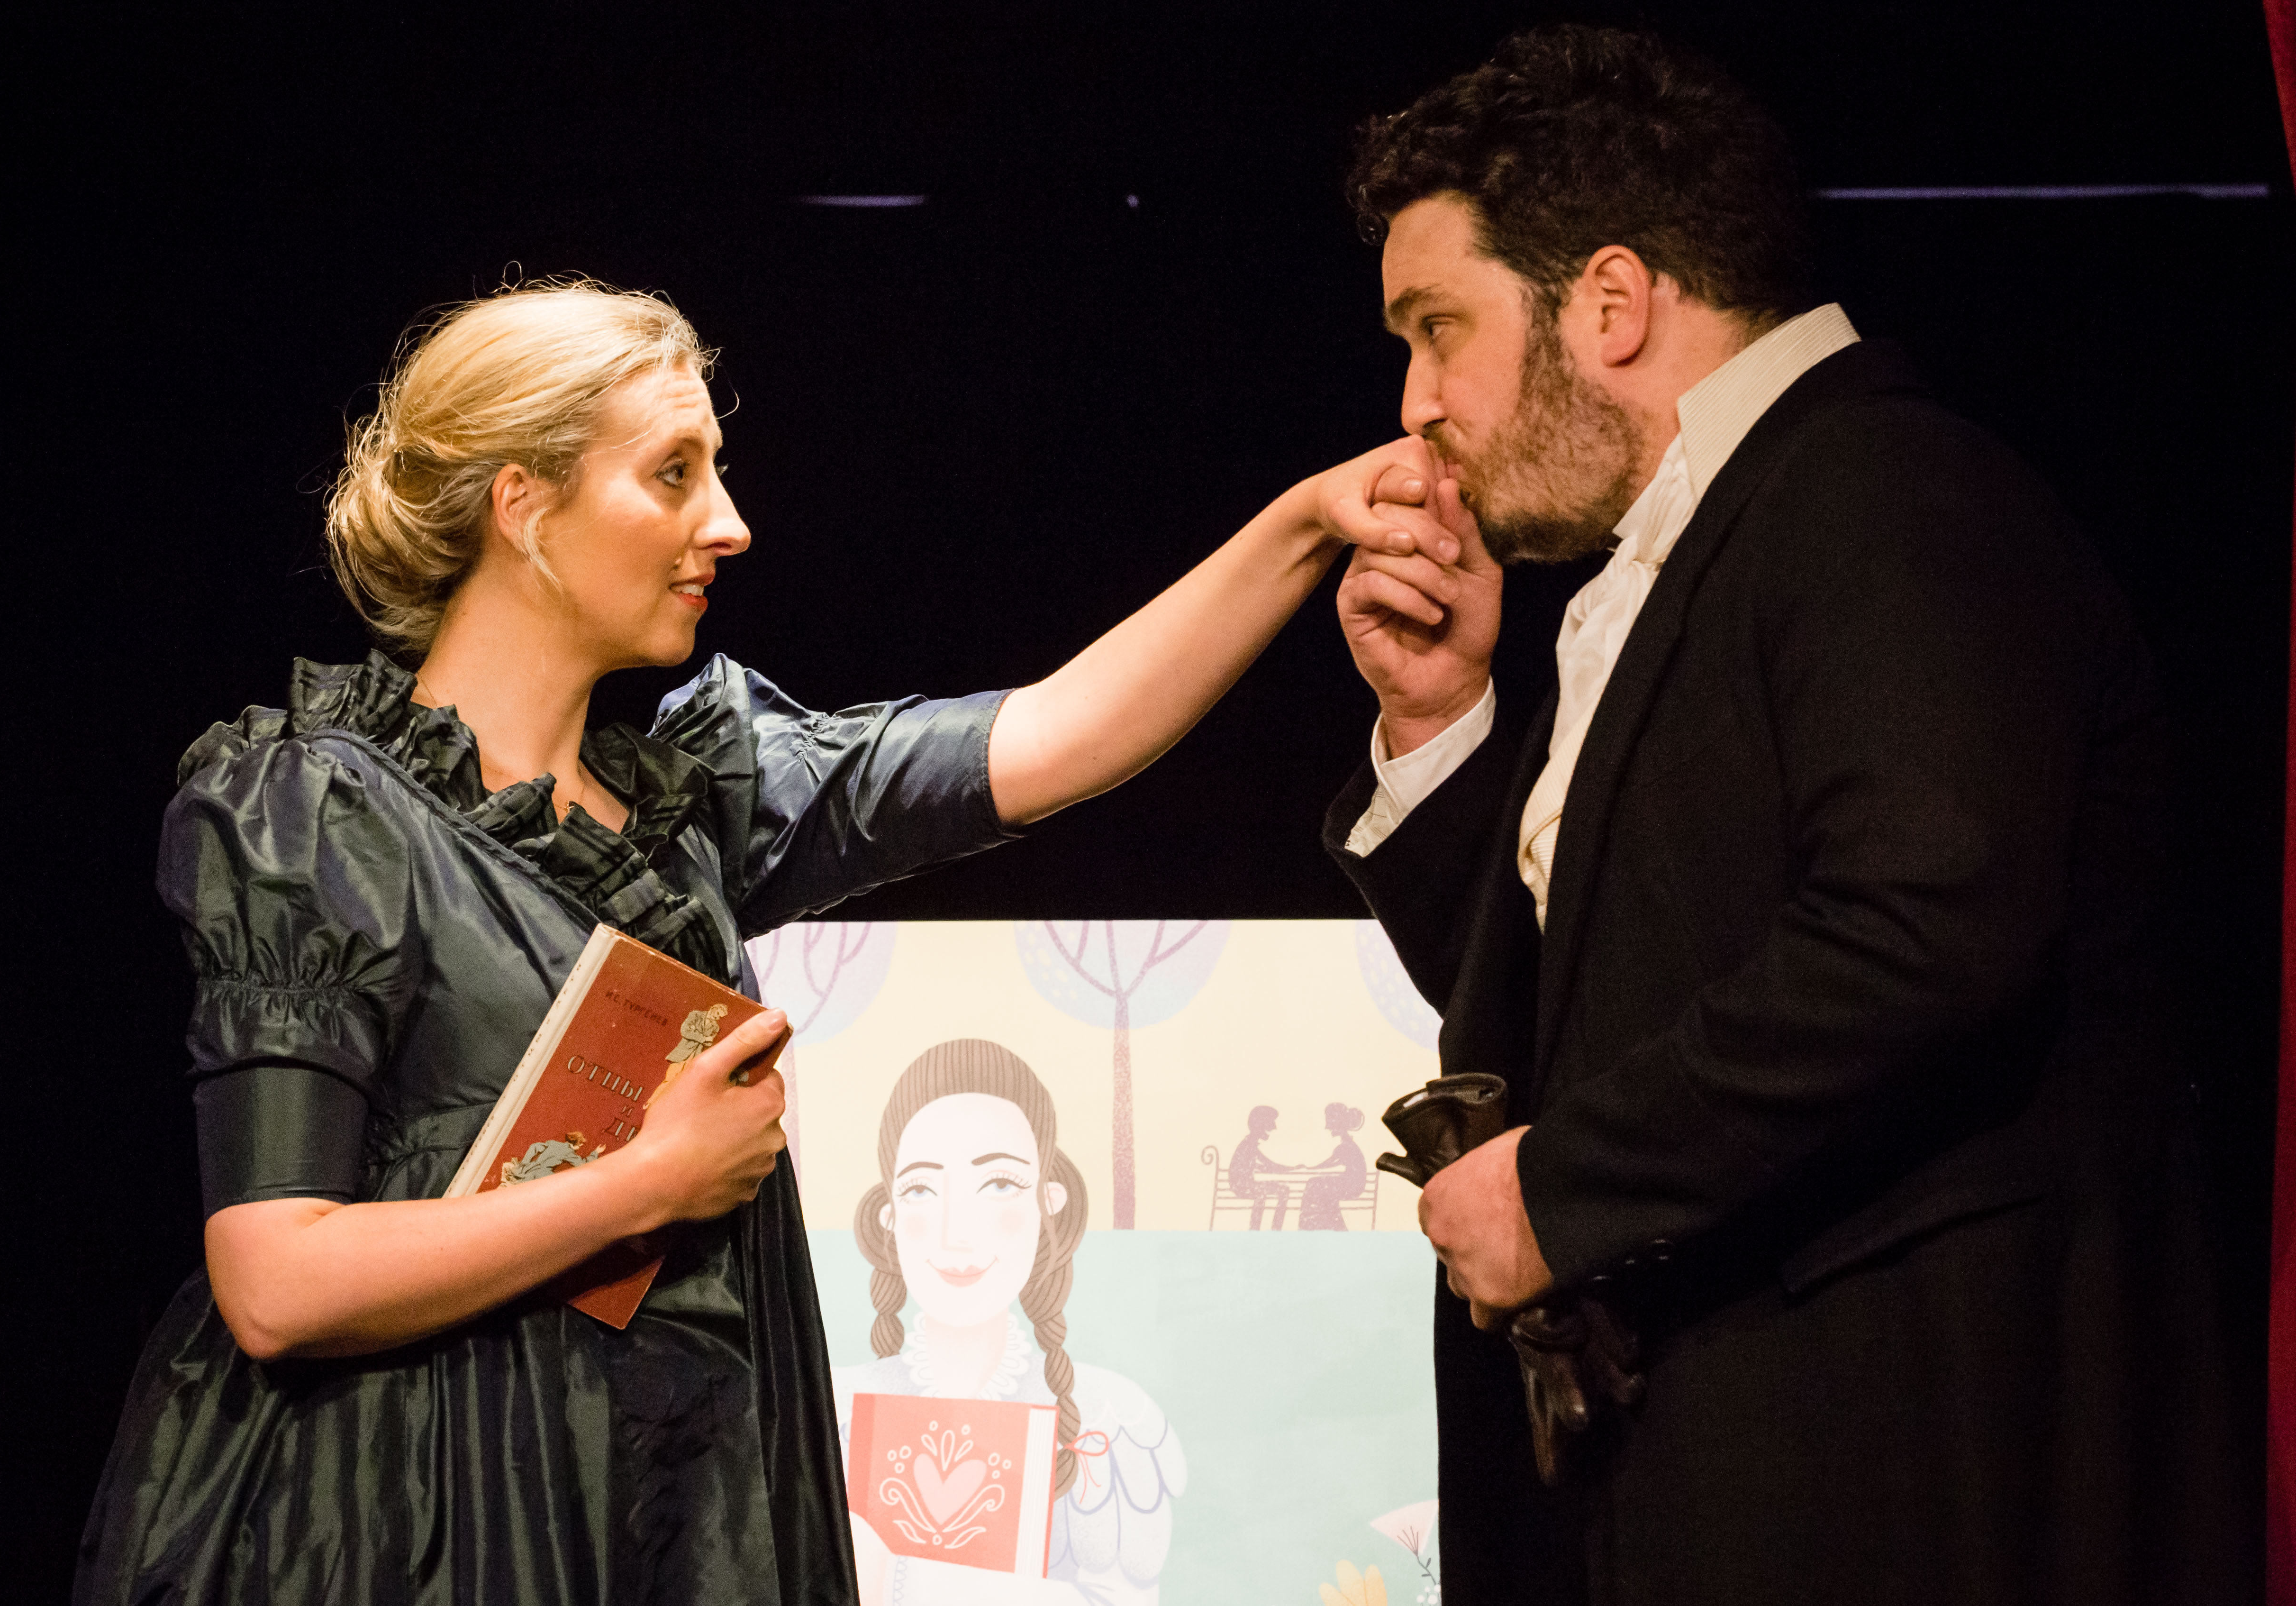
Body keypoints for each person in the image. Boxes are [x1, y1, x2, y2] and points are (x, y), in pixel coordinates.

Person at [73, 280, 1448, 1605]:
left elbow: (1056, 735)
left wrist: (1306, 525)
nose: (725, 524)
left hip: (668, 1496)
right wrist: (645, 1183)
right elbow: (276, 1276)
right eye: (671, 473)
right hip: (411, 1514)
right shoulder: (319, 808)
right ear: (525, 505)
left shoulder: (697, 799)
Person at [1320, 27, 2242, 1606]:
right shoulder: (1692, 547)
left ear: (1607, 302)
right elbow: (1600, 983)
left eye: (1438, 329)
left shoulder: (1885, 493)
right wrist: (1440, 721)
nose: (1415, 405)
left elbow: (1927, 927)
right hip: (1742, 1459)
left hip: (1898, 1454)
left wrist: (1562, 1187)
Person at [839, 1039, 1185, 1603]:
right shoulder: (827, 1404)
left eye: (1000, 1184)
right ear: (889, 1215)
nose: (958, 1233)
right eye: (922, 1189)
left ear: (1049, 1199)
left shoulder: (1109, 1417)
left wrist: (899, 1580)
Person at [1296, 1103, 1368, 1231]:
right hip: (1350, 1182)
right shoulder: (1346, 1144)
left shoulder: (1346, 1146)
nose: (1327, 1127)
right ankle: (1332, 1227)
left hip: (1352, 1185)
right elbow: (1332, 1164)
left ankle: (1307, 1227)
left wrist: (1309, 1169)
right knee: (1322, 1190)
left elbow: (1330, 1164)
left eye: (1330, 1122)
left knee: (1315, 1185)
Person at [1227, 1104, 1292, 1229]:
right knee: (1272, 1192)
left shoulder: (1250, 1144)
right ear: (1261, 1125)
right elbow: (1268, 1165)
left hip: (1246, 1184)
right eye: (1271, 1124)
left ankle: (1263, 1229)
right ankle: (1266, 1230)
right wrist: (1290, 1169)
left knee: (1278, 1191)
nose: (1275, 1128)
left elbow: (1264, 1165)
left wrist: (1289, 1169)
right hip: (1242, 1186)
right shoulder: (1249, 1145)